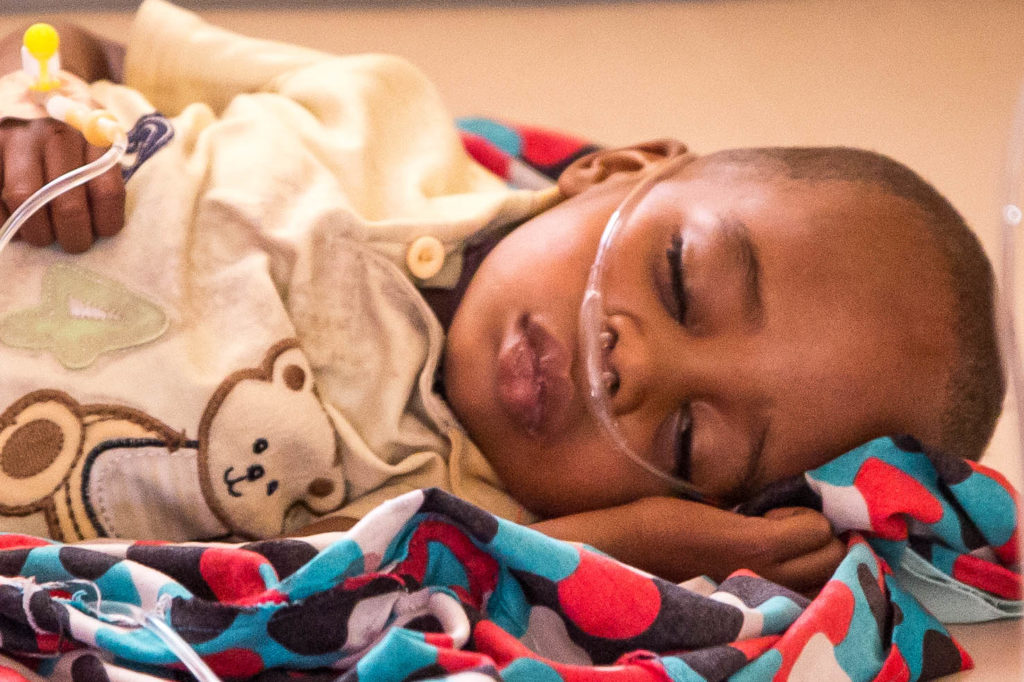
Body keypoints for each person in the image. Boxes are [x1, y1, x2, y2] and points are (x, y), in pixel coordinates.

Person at [0, 0, 1003, 595]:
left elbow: (326, 600)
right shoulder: (375, 108)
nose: (635, 364)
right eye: (677, 280)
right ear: (613, 170)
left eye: (690, 440)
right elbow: (88, 49)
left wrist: (627, 548)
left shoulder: (447, 513)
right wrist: (31, 107)